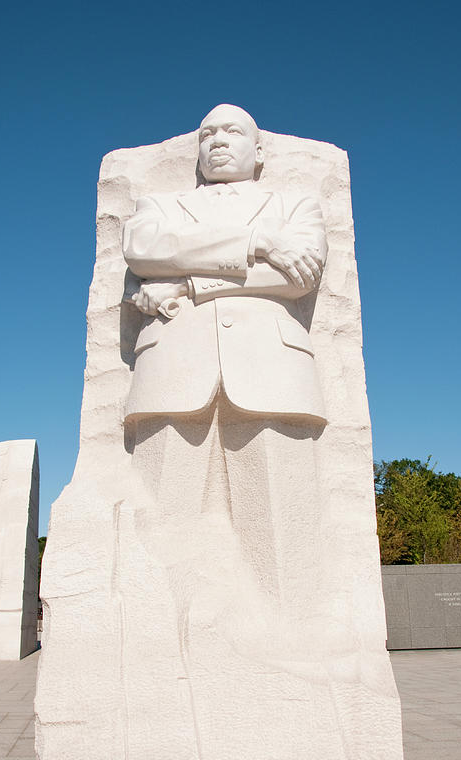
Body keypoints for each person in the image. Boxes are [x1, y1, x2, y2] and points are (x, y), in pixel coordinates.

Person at [121, 103, 328, 612]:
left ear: (258, 151)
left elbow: (296, 278)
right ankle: (159, 633)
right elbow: (144, 250)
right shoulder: (161, 207)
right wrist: (256, 242)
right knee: (162, 517)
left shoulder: (295, 205)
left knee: (281, 520)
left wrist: (189, 282)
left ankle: (293, 636)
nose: (217, 140)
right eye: (206, 133)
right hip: (173, 366)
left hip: (272, 368)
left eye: (232, 131)